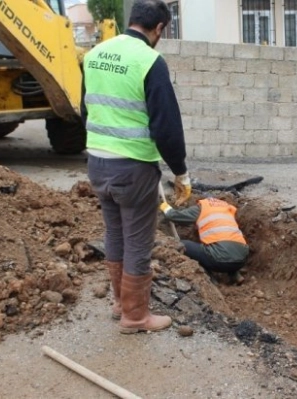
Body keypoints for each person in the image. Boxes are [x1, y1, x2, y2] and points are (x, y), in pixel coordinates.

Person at [81, 0, 191, 334]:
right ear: (159, 28)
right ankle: (135, 317)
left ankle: (120, 303)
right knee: (139, 240)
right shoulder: (150, 62)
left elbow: (85, 110)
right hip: (133, 169)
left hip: (98, 164)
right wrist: (180, 172)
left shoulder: (94, 54)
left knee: (115, 232)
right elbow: (166, 127)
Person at [160, 197, 249, 285]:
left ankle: (209, 278)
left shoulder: (202, 207)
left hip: (219, 260)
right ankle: (235, 274)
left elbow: (174, 216)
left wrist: (165, 207)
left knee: (183, 244)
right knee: (226, 246)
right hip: (242, 259)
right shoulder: (227, 207)